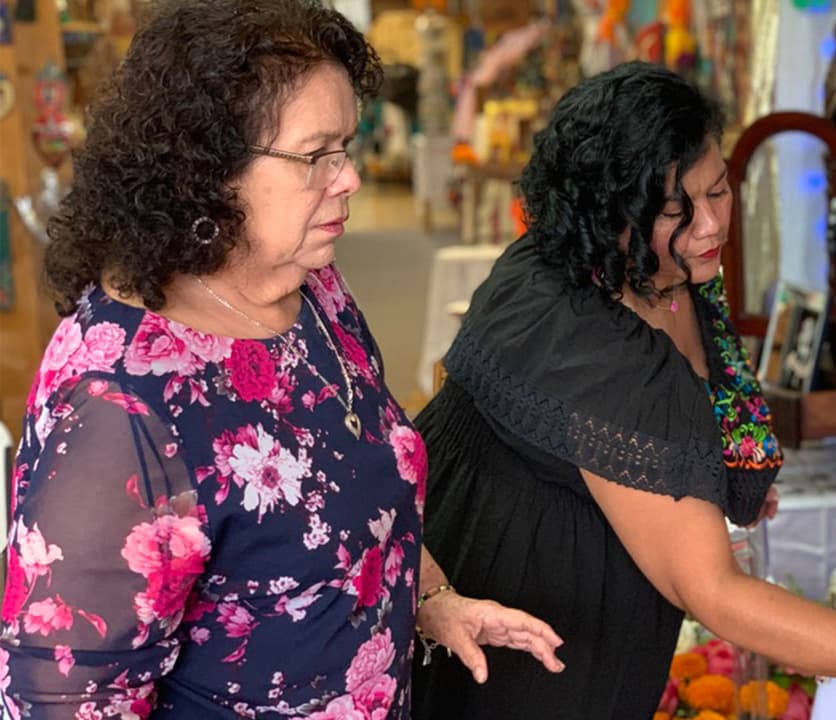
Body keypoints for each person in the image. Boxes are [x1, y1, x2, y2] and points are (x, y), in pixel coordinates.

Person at [411, 61, 836, 720]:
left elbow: (702, 410)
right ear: (610, 212)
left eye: (720, 191)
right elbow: (714, 592)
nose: (710, 226)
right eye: (677, 210)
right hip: (521, 655)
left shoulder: (656, 267)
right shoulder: (598, 348)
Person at [0, 1, 563, 716]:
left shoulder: (311, 289)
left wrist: (430, 599)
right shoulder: (120, 404)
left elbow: (352, 492)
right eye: (315, 155)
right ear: (208, 169)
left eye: (347, 147)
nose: (349, 177)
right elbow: (64, 698)